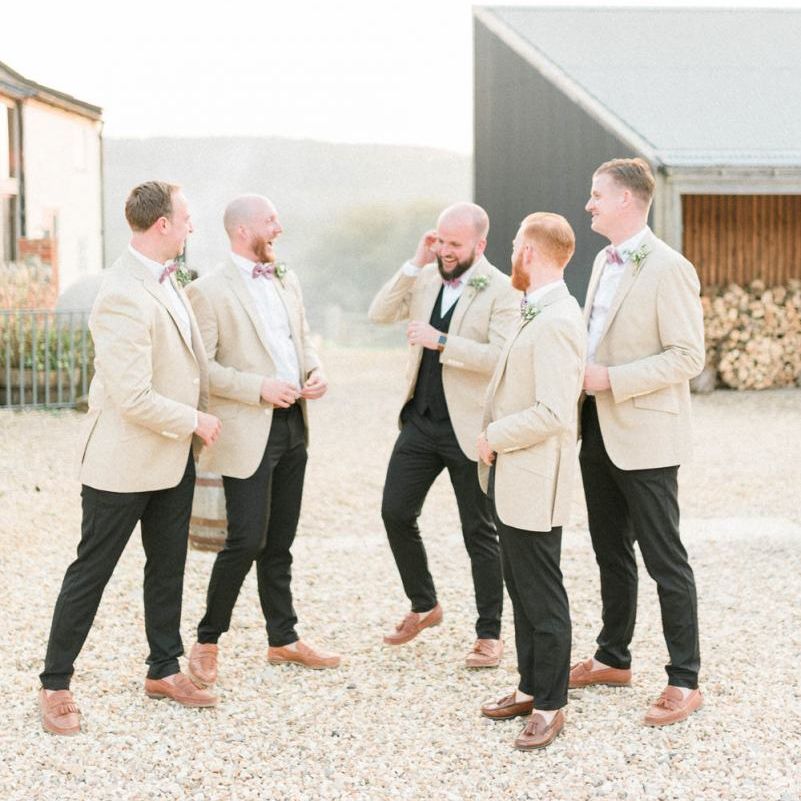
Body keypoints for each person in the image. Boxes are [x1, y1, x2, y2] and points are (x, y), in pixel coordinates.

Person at [38, 181, 221, 735]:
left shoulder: (170, 281)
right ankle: (54, 683)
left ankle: (163, 669)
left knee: (167, 568)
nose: (192, 226)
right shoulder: (120, 292)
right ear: (162, 224)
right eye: (187, 217)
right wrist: (196, 420)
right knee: (91, 571)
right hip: (122, 462)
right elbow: (132, 395)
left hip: (171, 459)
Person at [185, 193, 338, 688]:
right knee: (246, 539)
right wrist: (258, 388)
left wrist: (314, 370)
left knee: (281, 541)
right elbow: (202, 368)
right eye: (270, 220)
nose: (279, 226)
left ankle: (283, 638)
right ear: (241, 231)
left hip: (295, 423)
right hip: (249, 429)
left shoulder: (285, 277)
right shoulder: (207, 290)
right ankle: (207, 640)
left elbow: (302, 339)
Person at [572, 157, 706, 726]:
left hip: (646, 434)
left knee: (664, 559)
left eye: (597, 194)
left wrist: (611, 380)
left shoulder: (669, 267)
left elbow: (688, 357)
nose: (589, 204)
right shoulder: (603, 264)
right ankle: (613, 657)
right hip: (597, 428)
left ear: (626, 199)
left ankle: (684, 679)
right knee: (608, 551)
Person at [368, 202, 519, 667]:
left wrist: (443, 342)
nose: (445, 251)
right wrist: (415, 262)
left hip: (469, 428)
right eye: (440, 240)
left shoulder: (502, 289)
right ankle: (424, 603)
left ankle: (489, 633)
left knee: (479, 530)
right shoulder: (427, 275)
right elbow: (379, 313)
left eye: (454, 244)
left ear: (480, 244)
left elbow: (501, 355)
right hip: (420, 421)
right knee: (395, 512)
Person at [478, 212, 586, 750]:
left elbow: (554, 412)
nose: (510, 253)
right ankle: (528, 684)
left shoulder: (560, 319)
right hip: (512, 475)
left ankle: (551, 703)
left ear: (531, 253)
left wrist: (494, 434)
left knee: (543, 595)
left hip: (535, 477)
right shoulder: (533, 310)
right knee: (518, 587)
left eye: (515, 244)